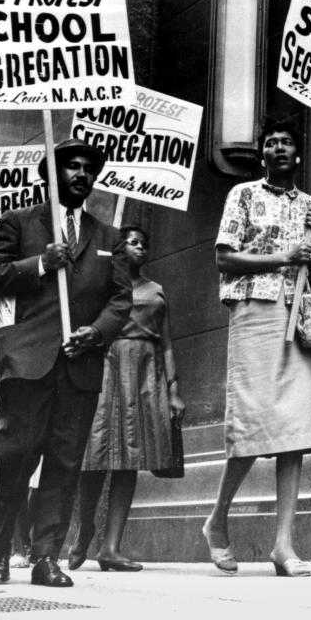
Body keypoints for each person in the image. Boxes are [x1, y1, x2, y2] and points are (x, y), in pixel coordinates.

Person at [0, 138, 132, 588]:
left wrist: (98, 332)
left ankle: (47, 557)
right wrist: (40, 264)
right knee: (15, 456)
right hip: (28, 361)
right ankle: (0, 549)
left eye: (88, 168)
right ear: (51, 174)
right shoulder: (19, 222)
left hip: (79, 366)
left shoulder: (108, 237)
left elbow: (121, 300)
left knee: (64, 462)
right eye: (71, 167)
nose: (81, 174)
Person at [202, 116, 311, 578]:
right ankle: (217, 520)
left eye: (286, 143)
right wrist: (283, 256)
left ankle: (282, 545)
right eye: (270, 143)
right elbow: (223, 257)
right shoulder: (244, 195)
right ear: (262, 154)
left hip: (296, 317)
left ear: (297, 155)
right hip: (254, 312)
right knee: (252, 427)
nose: (278, 148)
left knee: (294, 429)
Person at [68, 223, 187, 572]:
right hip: (105, 367)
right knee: (95, 456)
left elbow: (166, 342)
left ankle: (111, 546)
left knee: (131, 458)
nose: (139, 247)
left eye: (143, 242)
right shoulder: (101, 286)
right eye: (131, 242)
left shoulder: (156, 290)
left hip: (145, 373)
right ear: (117, 249)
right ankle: (83, 528)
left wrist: (174, 389)